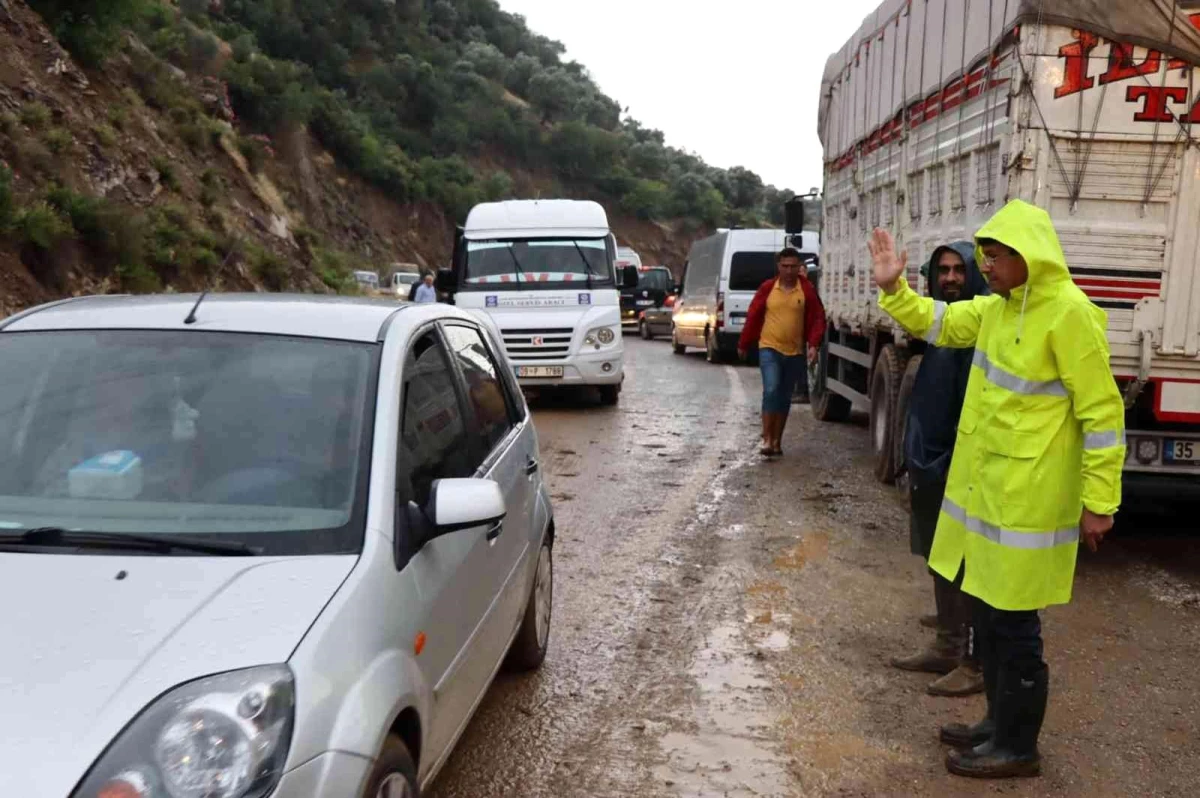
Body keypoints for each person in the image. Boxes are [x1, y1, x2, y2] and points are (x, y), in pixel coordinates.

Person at [868, 199, 1125, 779]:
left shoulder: (1069, 315)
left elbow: (1103, 414)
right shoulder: (998, 310)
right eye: (984, 253)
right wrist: (894, 290)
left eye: (997, 254)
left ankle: (1018, 746)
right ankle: (996, 724)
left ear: (1030, 255)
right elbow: (937, 322)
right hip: (988, 495)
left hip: (1030, 503)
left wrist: (1100, 502)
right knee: (987, 618)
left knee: (1014, 629)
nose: (987, 263)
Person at [889, 243, 988, 698]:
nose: (950, 278)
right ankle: (947, 646)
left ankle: (974, 660)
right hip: (931, 464)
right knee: (938, 557)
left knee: (969, 566)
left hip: (961, 468)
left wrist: (949, 462)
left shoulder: (979, 330)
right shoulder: (941, 330)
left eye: (958, 270)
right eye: (942, 270)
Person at [738, 247, 825, 457]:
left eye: (793, 266)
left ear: (799, 268)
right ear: (778, 266)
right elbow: (754, 315)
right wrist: (744, 343)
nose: (788, 270)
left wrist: (813, 344)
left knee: (784, 396)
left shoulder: (806, 291)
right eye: (784, 266)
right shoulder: (768, 288)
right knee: (771, 390)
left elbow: (817, 318)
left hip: (794, 352)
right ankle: (767, 439)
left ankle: (777, 441)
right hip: (769, 348)